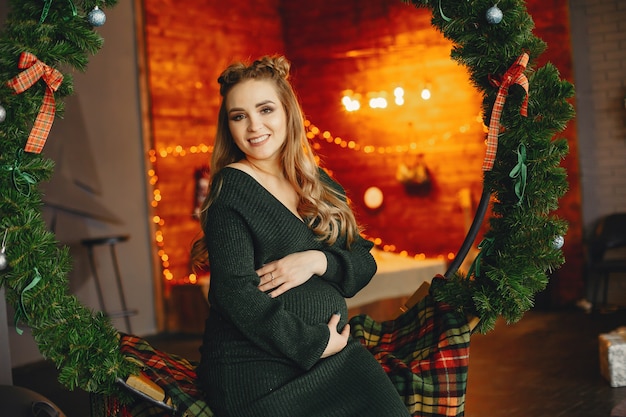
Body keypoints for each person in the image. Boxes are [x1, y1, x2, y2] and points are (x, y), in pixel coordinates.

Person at [191, 55, 411, 417]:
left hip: (334, 358)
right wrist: (315, 342)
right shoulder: (231, 188)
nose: (253, 126)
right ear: (228, 125)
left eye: (265, 110)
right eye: (239, 115)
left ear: (288, 113)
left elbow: (362, 263)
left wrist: (316, 261)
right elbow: (234, 295)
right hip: (259, 369)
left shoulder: (315, 182)